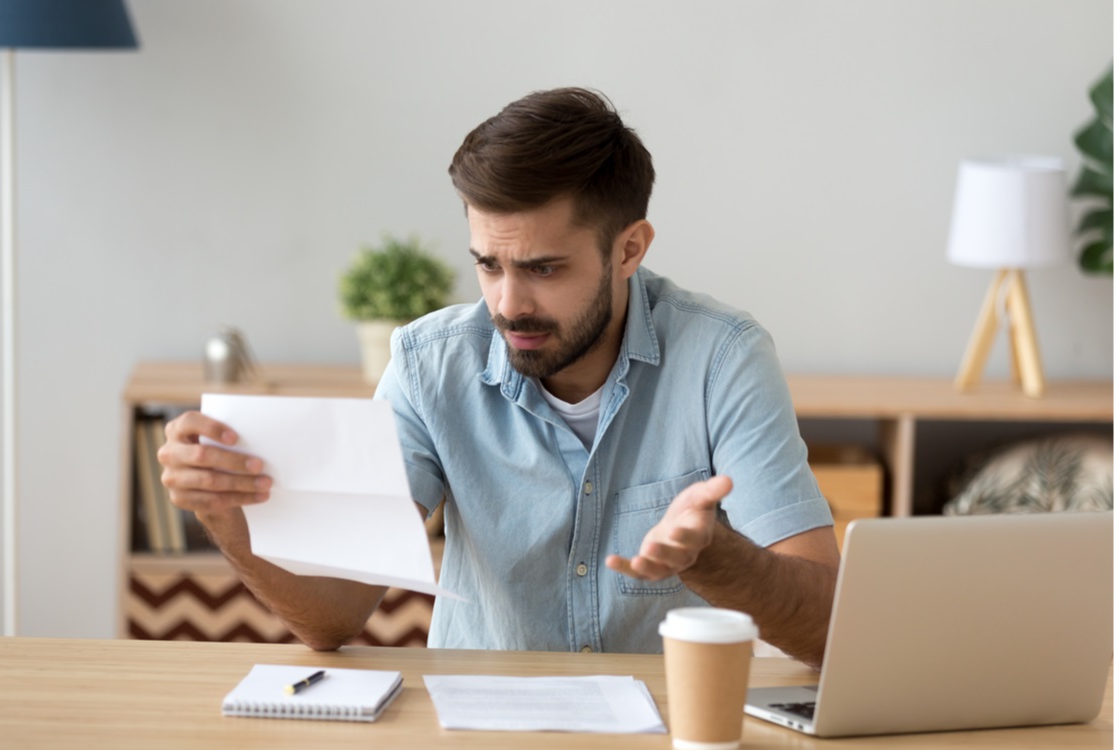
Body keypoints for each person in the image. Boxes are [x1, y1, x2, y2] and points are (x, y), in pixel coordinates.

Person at [159, 87, 840, 666]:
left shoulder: (723, 359)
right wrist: (225, 518)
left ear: (628, 249)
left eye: (543, 268)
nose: (508, 304)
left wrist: (718, 559)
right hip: (478, 735)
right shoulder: (428, 366)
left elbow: (826, 626)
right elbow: (335, 617)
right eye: (488, 264)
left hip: (665, 735)